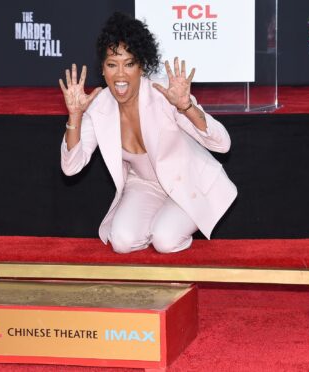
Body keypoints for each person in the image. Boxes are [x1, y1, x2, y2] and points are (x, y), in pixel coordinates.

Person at [59, 12, 237, 254]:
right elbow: (71, 167)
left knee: (164, 240)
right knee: (121, 242)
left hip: (187, 179)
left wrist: (186, 107)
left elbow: (222, 144)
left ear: (141, 66)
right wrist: (75, 117)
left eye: (129, 64)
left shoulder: (163, 94)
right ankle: (159, 223)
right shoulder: (98, 107)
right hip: (144, 185)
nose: (120, 74)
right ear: (102, 69)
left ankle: (169, 226)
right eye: (112, 64)